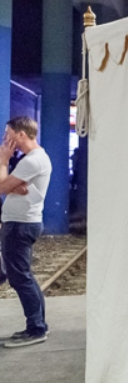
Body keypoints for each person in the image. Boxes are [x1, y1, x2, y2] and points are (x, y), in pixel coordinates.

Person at [0, 116, 53, 348]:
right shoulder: (32, 160)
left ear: (21, 134)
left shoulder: (32, 161)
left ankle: (36, 329)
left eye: (7, 134)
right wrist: (11, 186)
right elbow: (8, 187)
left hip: (20, 225)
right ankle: (38, 324)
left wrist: (3, 161)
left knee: (20, 278)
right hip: (21, 224)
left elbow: (1, 187)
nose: (5, 139)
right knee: (25, 276)